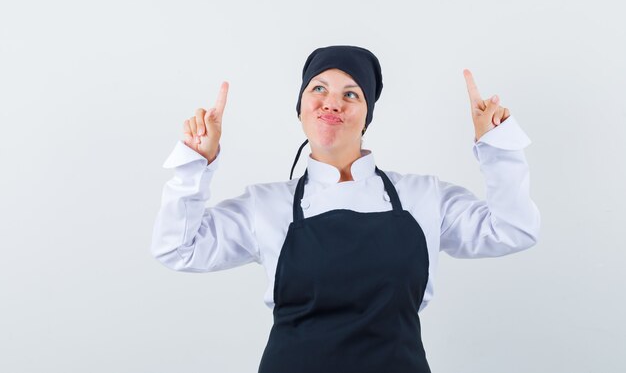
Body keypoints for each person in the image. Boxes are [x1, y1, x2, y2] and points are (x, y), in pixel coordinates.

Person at [151, 45, 540, 373]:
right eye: (318, 89)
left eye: (351, 94)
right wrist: (195, 164)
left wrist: (498, 147)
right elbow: (177, 248)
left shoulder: (424, 197)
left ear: (367, 114)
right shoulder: (266, 204)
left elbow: (513, 230)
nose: (331, 103)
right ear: (301, 107)